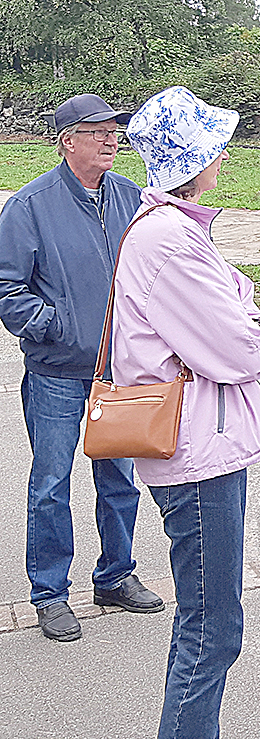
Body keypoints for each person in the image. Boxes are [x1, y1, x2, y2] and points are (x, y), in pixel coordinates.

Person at [117, 87, 260, 739]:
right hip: (196, 457)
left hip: (205, 447)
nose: (226, 151)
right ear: (190, 158)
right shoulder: (167, 241)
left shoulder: (179, 234)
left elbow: (237, 308)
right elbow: (239, 345)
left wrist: (245, 317)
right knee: (210, 628)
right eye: (215, 142)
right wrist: (251, 327)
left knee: (209, 620)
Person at [0, 92, 162, 642]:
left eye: (114, 130)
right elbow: (7, 290)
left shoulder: (132, 198)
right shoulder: (29, 206)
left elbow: (156, 269)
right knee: (51, 483)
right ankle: (49, 593)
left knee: (120, 479)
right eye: (98, 132)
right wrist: (58, 326)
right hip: (58, 374)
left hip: (121, 372)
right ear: (69, 142)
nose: (112, 139)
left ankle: (116, 575)